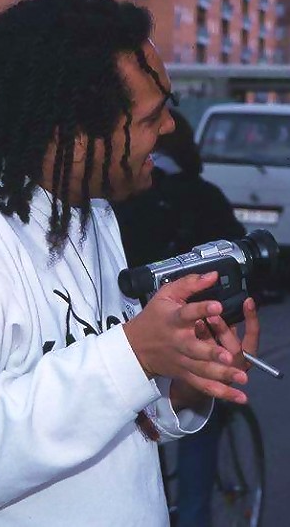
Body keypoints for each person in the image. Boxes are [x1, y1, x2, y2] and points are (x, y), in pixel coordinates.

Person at [0, 0, 261, 526]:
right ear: (73, 133)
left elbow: (99, 416)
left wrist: (180, 383)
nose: (171, 128)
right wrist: (133, 355)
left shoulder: (89, 214)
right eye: (152, 116)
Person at [114, 109, 247, 527]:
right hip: (197, 335)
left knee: (135, 428)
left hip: (127, 335)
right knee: (200, 423)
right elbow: (239, 259)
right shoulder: (204, 195)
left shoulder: (121, 198)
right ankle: (192, 516)